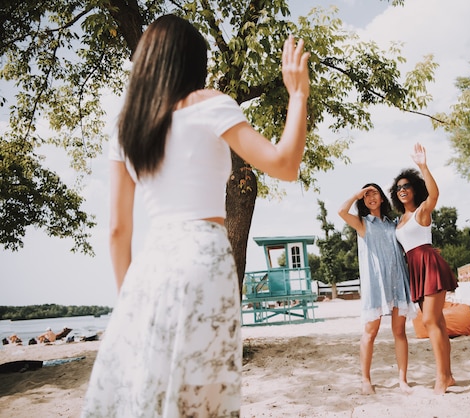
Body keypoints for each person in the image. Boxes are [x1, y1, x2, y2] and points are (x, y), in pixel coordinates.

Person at [81, 14, 309, 417]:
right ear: (193, 64)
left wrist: (129, 304)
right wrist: (297, 94)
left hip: (151, 266)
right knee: (203, 395)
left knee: (150, 389)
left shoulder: (126, 128)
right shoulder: (210, 104)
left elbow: (118, 231)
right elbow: (285, 164)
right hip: (203, 257)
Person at [391, 142, 458, 395]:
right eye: (398, 188)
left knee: (429, 320)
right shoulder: (399, 220)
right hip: (414, 271)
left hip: (429, 265)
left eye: (407, 186)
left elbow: (435, 195)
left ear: (415, 188)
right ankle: (448, 376)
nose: (402, 190)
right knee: (437, 324)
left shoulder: (422, 211)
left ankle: (441, 377)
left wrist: (423, 165)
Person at [338, 183, 416, 395]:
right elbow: (341, 212)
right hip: (376, 286)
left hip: (397, 282)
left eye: (375, 193)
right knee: (370, 333)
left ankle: (402, 380)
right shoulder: (363, 224)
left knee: (399, 332)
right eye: (367, 194)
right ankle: (365, 379)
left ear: (382, 198)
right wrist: (356, 193)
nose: (371, 197)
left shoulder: (394, 224)